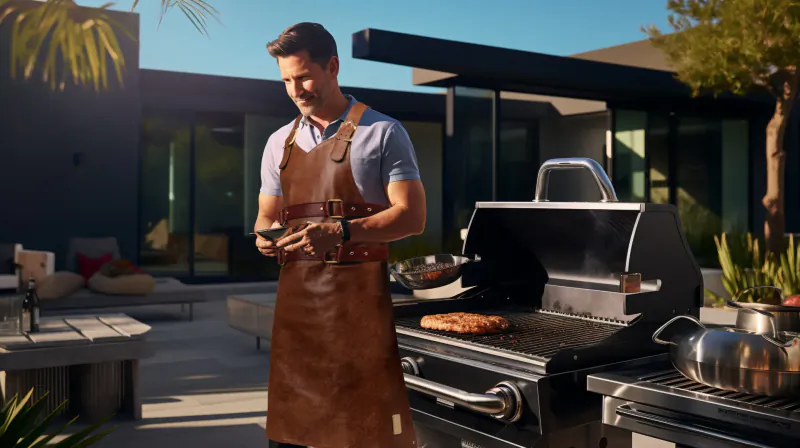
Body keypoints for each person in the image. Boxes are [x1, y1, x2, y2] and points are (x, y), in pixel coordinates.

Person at [255, 22, 426, 448]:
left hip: (359, 307)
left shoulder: (384, 133)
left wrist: (343, 231)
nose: (296, 90)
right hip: (295, 311)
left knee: (363, 433)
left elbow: (412, 217)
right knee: (290, 433)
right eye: (287, 81)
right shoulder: (279, 142)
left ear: (332, 66)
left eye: (304, 76)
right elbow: (266, 216)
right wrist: (265, 236)